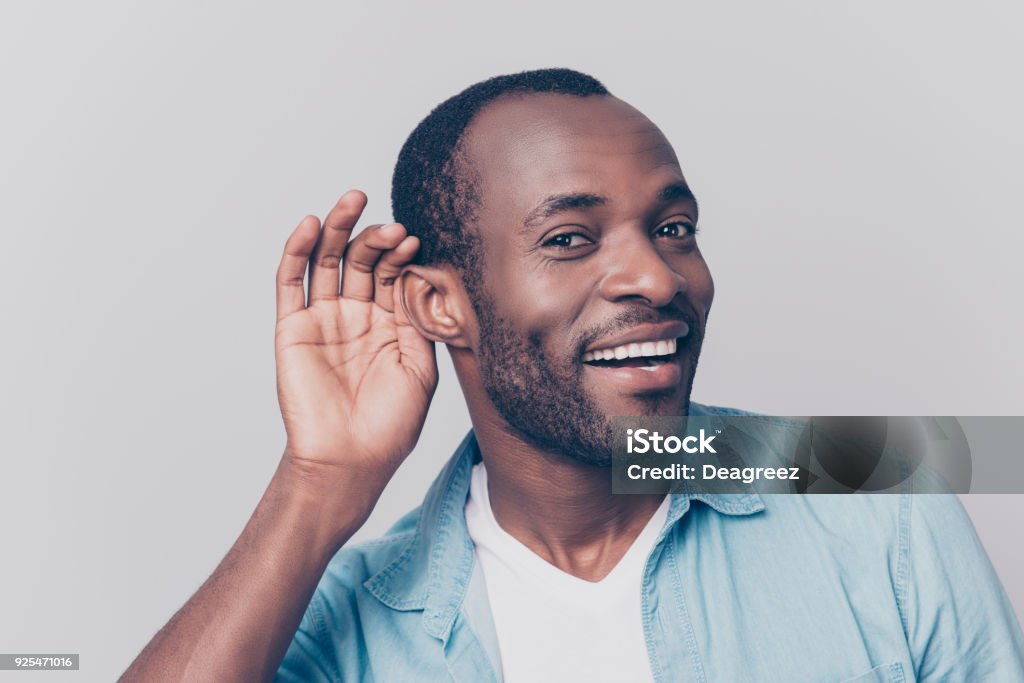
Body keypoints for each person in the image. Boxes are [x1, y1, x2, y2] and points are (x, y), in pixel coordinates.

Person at [121, 69, 1024, 682]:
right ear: (441, 305)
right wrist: (317, 485)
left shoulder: (878, 503)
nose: (659, 278)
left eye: (674, 227)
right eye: (569, 240)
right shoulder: (348, 618)